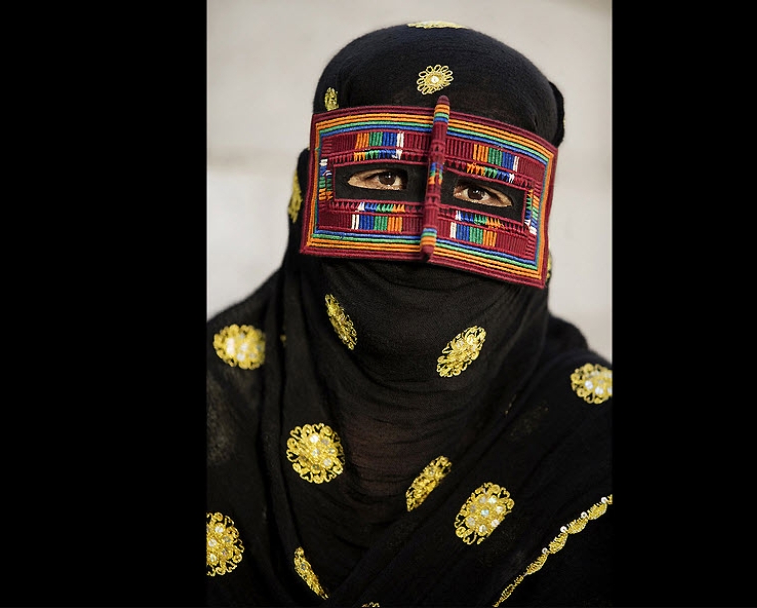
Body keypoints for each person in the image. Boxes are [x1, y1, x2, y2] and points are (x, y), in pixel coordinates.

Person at [206, 21, 612, 606]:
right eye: (385, 177)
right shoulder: (217, 396)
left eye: (477, 193)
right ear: (308, 190)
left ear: (538, 223)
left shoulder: (590, 445)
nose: (425, 239)